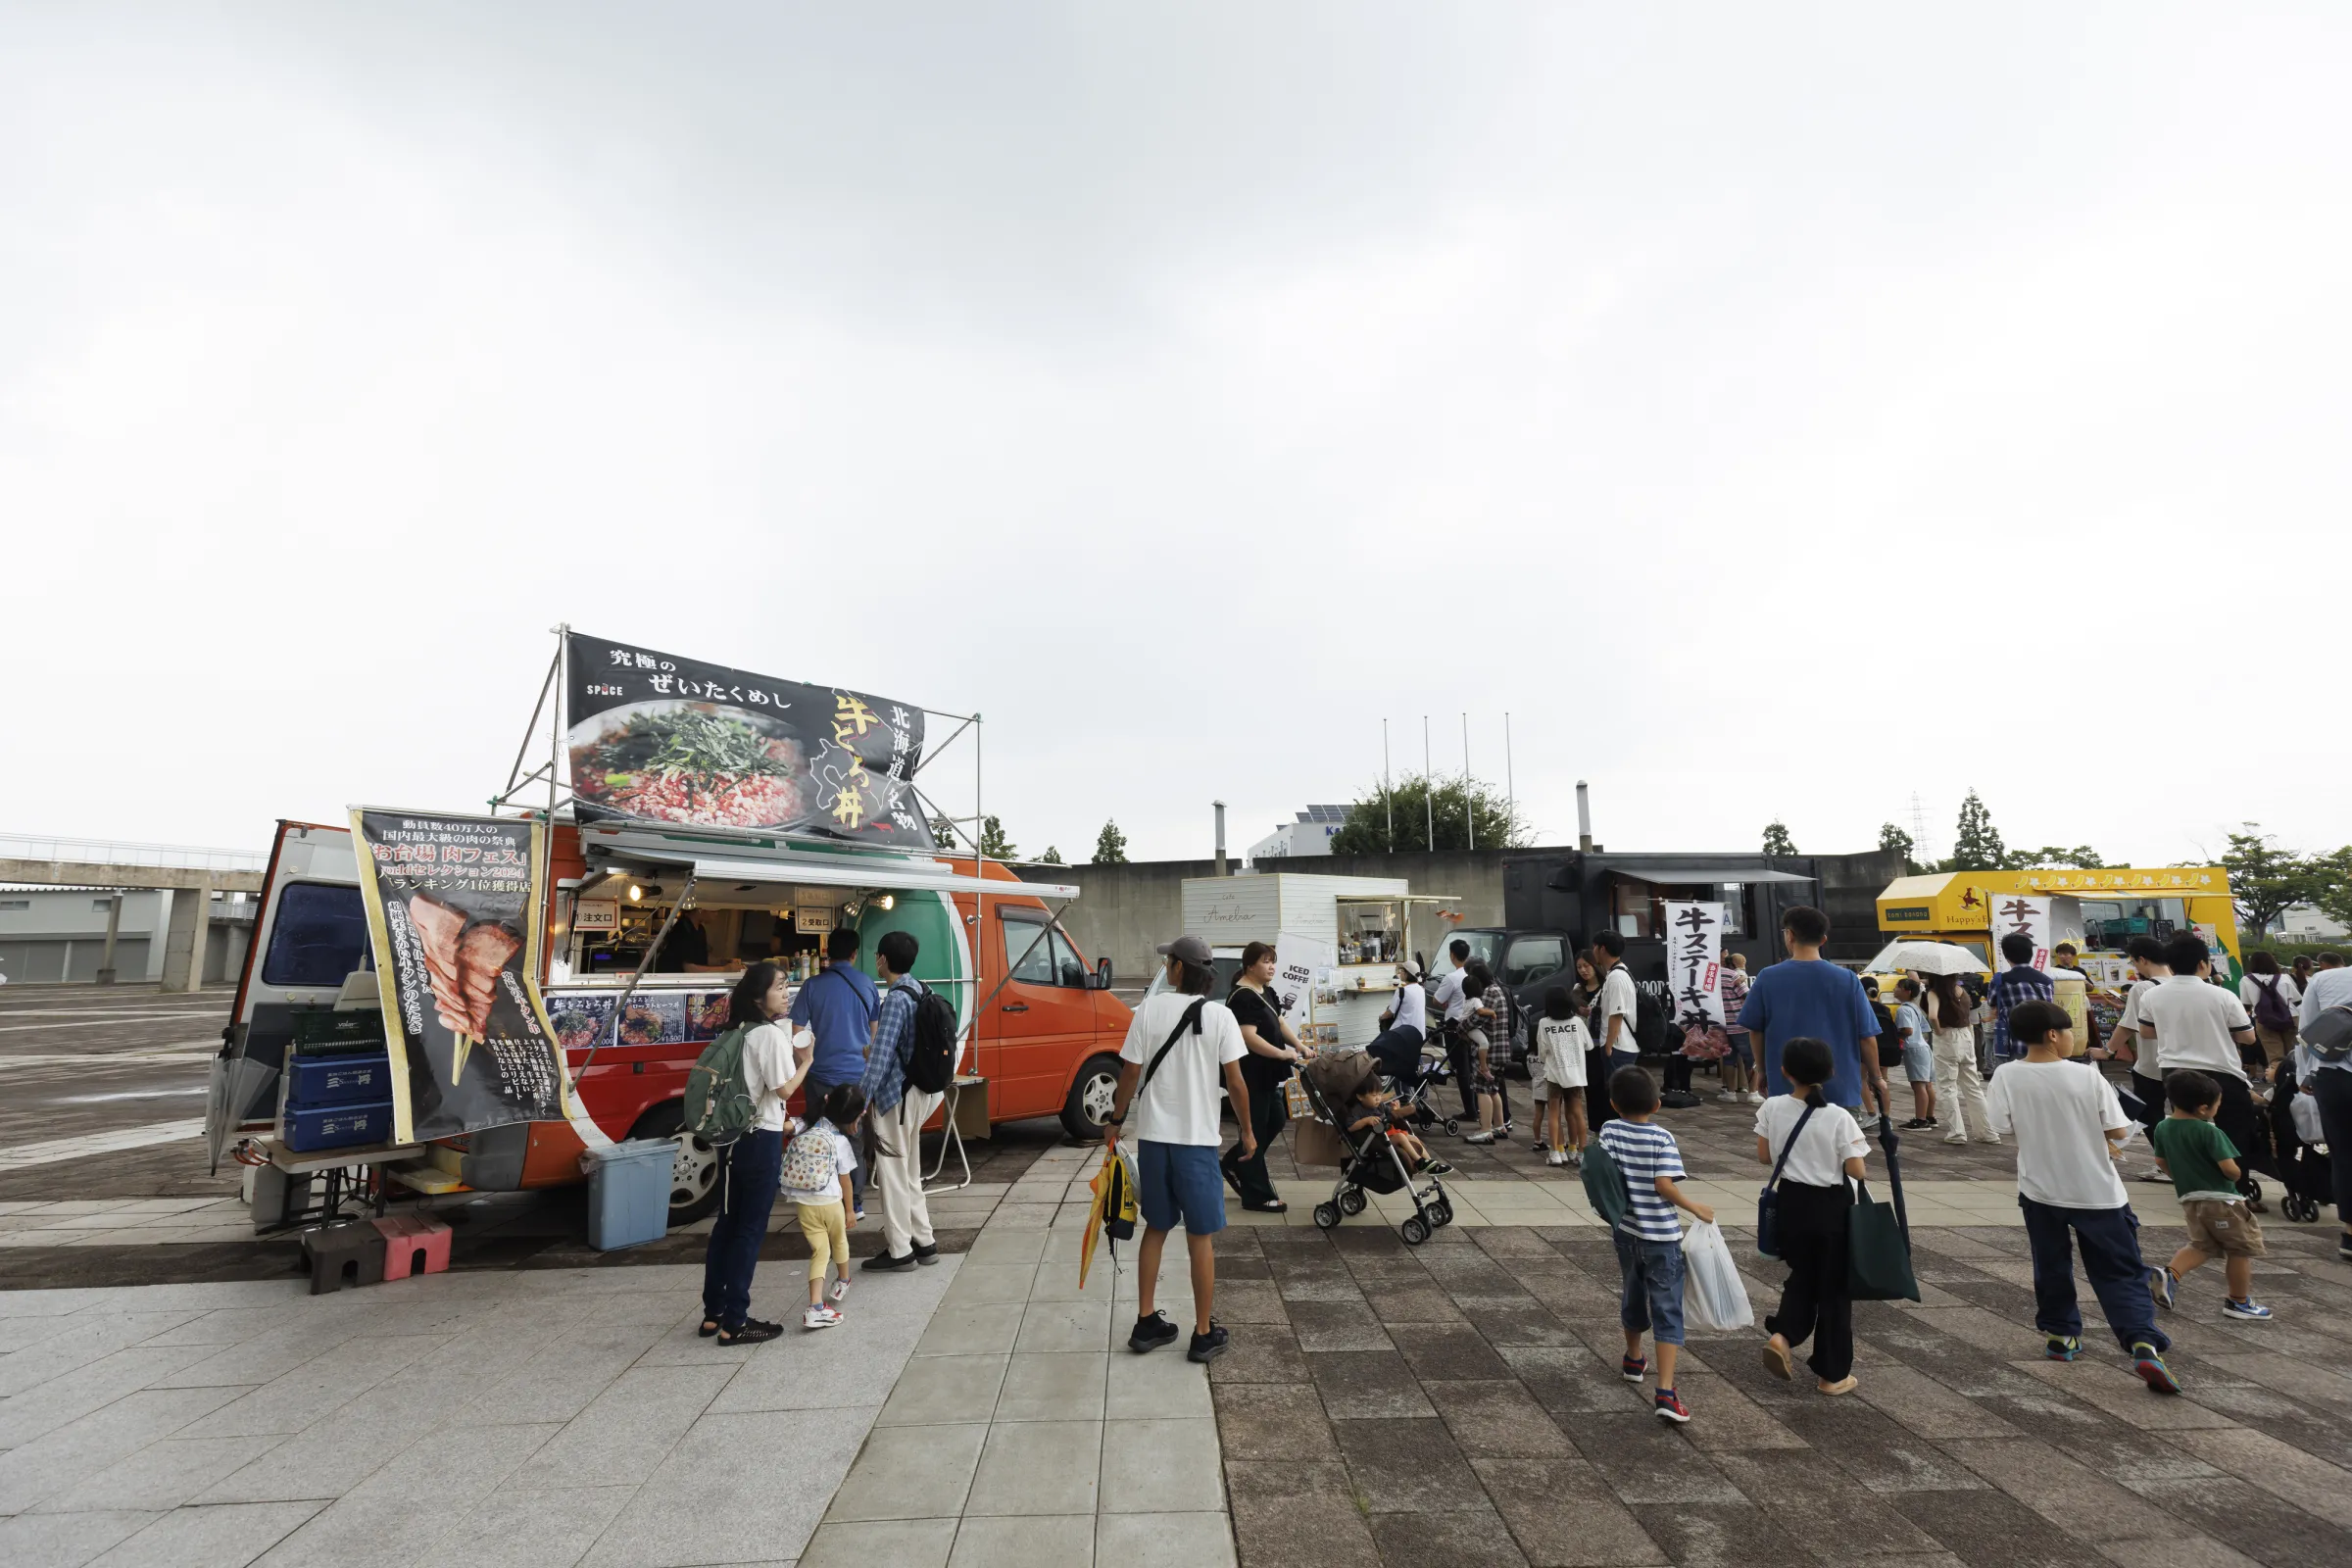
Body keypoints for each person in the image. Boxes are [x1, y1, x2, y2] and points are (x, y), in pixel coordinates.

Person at [1984, 1000, 2178, 1393]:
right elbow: (2120, 1131)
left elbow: (2000, 1125)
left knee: (2051, 1264)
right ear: (2053, 1035)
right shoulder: (2086, 1076)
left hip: (2040, 1191)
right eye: (2071, 1030)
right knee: (2119, 1270)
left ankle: (2061, 1336)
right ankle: (2141, 1341)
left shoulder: (2006, 1074)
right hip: (2098, 1194)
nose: (2074, 1037)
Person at [1107, 935, 1253, 1364]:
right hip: (1198, 1144)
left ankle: (1146, 1320)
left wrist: (1114, 1124)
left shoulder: (1149, 1010)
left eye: (1169, 960)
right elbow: (1237, 1082)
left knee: (1155, 1228)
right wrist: (1247, 1131)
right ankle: (1204, 1333)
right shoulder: (1221, 1015)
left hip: (1154, 1139)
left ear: (1176, 968)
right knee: (1199, 1237)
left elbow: (1129, 1073)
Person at [699, 960, 812, 1346]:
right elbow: (783, 1090)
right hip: (759, 1140)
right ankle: (736, 1322)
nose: (785, 992)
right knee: (749, 1229)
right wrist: (807, 1062)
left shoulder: (738, 1030)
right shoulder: (768, 1035)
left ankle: (713, 1314)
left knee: (726, 1225)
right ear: (757, 996)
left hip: (731, 1139)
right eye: (780, 987)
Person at [1596, 1065, 1713, 1424]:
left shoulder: (1609, 1130)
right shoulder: (1662, 1139)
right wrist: (1695, 1208)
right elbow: (1664, 1184)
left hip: (1626, 1232)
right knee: (1666, 1307)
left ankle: (1634, 1358)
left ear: (1613, 1104)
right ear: (1658, 1104)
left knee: (1632, 1293)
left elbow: (1605, 1172)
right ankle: (1665, 1390)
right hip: (1661, 1238)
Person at [1755, 1036, 1870, 1396]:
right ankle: (1831, 1374)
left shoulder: (1772, 1107)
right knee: (1835, 1289)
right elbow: (1857, 1170)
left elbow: (1764, 1156)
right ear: (1830, 1072)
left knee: (1803, 1275)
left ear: (1786, 1072)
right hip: (1831, 1208)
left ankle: (1783, 1335)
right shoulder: (1839, 1117)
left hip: (1791, 1204)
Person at [2135, 934, 2266, 1210]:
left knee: (2189, 1131)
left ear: (2170, 965)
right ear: (2204, 964)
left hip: (2175, 1073)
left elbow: (2146, 1032)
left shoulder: (2152, 995)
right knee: (2234, 1132)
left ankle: (2196, 1187)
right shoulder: (2222, 995)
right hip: (2221, 1073)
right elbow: (2248, 1038)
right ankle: (2236, 1194)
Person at [2146, 1071, 2272, 1321]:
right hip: (2222, 1200)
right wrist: (2237, 1176)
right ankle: (2238, 1302)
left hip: (2191, 1200)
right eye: (2217, 1105)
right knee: (2240, 1249)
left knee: (2202, 1245)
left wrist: (2180, 1177)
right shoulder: (2210, 1132)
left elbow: (2160, 1160)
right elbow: (2230, 1169)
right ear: (2204, 1108)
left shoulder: (2163, 1126)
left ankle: (2169, 1275)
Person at [1735, 906, 1877, 1110]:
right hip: (1840, 1087)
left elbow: (1756, 1031)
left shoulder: (1767, 977)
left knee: (1787, 1141)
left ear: (1790, 935)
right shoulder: (1847, 979)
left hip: (1786, 1086)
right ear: (1823, 939)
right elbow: (1867, 1036)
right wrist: (1876, 1076)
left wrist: (1763, 1070)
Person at [858, 930, 941, 1272]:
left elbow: (880, 1055)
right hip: (921, 1093)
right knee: (909, 1170)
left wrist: (859, 1101)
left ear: (882, 960)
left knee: (892, 1173)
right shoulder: (922, 989)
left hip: (897, 1098)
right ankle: (924, 1241)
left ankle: (900, 1251)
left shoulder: (895, 999)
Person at [789, 927, 878, 1209]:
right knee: (854, 1139)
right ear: (855, 953)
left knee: (818, 1135)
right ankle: (857, 1204)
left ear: (827, 952)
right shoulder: (867, 984)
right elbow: (874, 1036)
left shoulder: (812, 986)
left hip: (819, 1075)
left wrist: (801, 1068)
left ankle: (821, 1196)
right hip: (857, 1076)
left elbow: (797, 1033)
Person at [1224, 941, 1309, 1213]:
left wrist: (1298, 1045)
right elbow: (1248, 1037)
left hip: (1267, 1074)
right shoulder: (1242, 997)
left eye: (1273, 961)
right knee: (1256, 1130)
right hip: (1251, 1074)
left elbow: (1280, 1022)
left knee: (1275, 1118)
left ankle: (1233, 1162)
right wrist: (1281, 1054)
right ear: (1250, 965)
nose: (1272, 966)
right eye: (1265, 961)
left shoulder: (1265, 991)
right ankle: (1256, 1194)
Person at [783, 1084, 864, 1331]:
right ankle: (842, 1280)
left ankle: (816, 1307)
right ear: (853, 1118)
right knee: (839, 1241)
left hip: (804, 1204)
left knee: (820, 1252)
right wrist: (850, 1210)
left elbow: (787, 1127)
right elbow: (846, 1181)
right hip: (831, 1203)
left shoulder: (807, 1125)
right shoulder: (840, 1142)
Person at [2293, 962, 2352, 1264]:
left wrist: (2305, 1075)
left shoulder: (2325, 978)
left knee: (2344, 1154)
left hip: (2335, 1077)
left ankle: (2350, 1235)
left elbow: (2307, 1033)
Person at [2106, 936, 2173, 1149]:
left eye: (2134, 962)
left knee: (2150, 1116)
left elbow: (2127, 1025)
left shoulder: (2142, 988)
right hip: (2185, 1064)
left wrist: (2107, 1050)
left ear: (2142, 960)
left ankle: (2166, 1162)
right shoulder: (2185, 983)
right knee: (2187, 1116)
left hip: (2151, 1066)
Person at [1925, 972, 1992, 1145]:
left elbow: (1933, 1015)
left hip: (1947, 1038)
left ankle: (1957, 1132)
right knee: (1973, 1087)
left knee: (1947, 1087)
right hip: (1966, 1036)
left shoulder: (1934, 993)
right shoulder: (1961, 991)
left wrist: (1938, 1031)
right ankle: (1987, 1132)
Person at [1533, 985, 1591, 1167]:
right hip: (1575, 1075)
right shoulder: (1578, 1022)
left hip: (1554, 1074)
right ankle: (1579, 1151)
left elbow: (1542, 1052)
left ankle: (1556, 1152)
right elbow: (1588, 1045)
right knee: (1576, 1113)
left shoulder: (1544, 1023)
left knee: (1554, 1113)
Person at [1345, 1081, 1449, 1174]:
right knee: (1400, 1136)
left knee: (1413, 1137)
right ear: (1360, 1097)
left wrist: (1395, 1109)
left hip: (1388, 1133)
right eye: (1373, 1095)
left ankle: (1430, 1163)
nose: (1378, 1098)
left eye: (1380, 1094)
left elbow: (1391, 1113)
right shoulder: (1357, 1110)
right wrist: (1365, 1121)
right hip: (1376, 1140)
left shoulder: (1380, 1105)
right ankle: (1419, 1161)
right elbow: (1350, 1127)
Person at [1987, 932, 2056, 1069]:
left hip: (2013, 1043)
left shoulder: (2000, 981)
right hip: (2043, 1042)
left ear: (2006, 956)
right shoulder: (2047, 981)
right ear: (2030, 954)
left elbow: (1992, 1002)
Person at [1461, 959, 1512, 1145]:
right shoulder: (1498, 989)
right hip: (1501, 1050)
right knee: (1494, 1089)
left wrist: (1460, 1028)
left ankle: (1485, 1130)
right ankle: (1499, 1126)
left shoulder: (1489, 993)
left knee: (1482, 1089)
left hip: (1490, 1051)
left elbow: (1477, 1019)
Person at [1431, 939, 1481, 1122]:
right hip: (1473, 1024)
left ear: (1452, 955)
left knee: (1462, 1070)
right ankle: (1478, 1105)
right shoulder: (1473, 974)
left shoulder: (1451, 978)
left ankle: (1470, 1110)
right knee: (1473, 1067)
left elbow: (1437, 999)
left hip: (1454, 1026)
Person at [1366, 959, 1429, 1090]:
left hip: (1402, 1035)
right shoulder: (1421, 989)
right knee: (1415, 1062)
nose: (1400, 974)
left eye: (1402, 971)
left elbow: (1390, 1013)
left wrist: (1380, 1017)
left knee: (1398, 1067)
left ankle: (1403, 1097)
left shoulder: (1402, 991)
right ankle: (1421, 1092)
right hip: (1418, 1034)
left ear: (1407, 974)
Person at [2239, 951, 2302, 1068]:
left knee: (2275, 1055)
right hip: (2290, 1017)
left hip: (2264, 1019)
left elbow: (2246, 1004)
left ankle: (2280, 1081)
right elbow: (2297, 1000)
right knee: (2294, 1053)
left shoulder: (2246, 980)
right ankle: (2297, 1081)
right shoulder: (2284, 977)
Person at [1592, 930, 1642, 1079]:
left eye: (1594, 946)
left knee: (1619, 1096)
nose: (1592, 950)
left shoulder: (1617, 977)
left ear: (1602, 949)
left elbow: (1617, 1013)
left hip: (1619, 1047)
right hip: (1619, 1046)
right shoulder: (1616, 973)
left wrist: (1608, 1047)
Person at [1892, 978, 1936, 1129]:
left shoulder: (1903, 1009)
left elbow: (1907, 1030)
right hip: (1924, 1047)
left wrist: (1896, 1034)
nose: (1894, 989)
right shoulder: (1915, 1007)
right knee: (1927, 1085)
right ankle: (1930, 1116)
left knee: (1918, 1086)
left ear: (1907, 991)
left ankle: (1921, 1119)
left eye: (1897, 986)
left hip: (1914, 1048)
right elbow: (1924, 1028)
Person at [1859, 977, 1901, 1131]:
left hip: (1867, 1049)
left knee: (1862, 1078)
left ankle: (1871, 1114)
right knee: (1881, 1080)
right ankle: (1886, 1116)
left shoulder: (1861, 1007)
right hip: (1886, 1049)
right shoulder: (1885, 1009)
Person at [1719, 955, 1758, 1104]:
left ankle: (1729, 1093)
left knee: (1729, 1059)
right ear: (1735, 963)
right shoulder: (1733, 976)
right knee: (1750, 1059)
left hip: (1722, 1025)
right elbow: (1747, 997)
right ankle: (1753, 1093)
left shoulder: (1712, 977)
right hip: (1740, 1024)